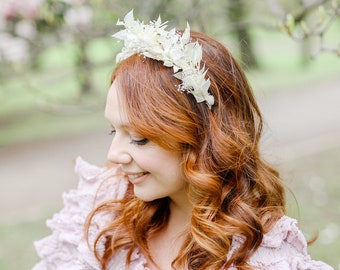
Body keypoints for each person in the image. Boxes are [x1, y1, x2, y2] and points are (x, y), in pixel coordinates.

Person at [33, 10, 333, 270]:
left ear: (203, 139)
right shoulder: (103, 208)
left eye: (139, 138)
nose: (113, 156)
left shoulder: (263, 253)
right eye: (114, 131)